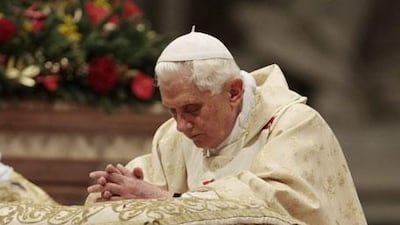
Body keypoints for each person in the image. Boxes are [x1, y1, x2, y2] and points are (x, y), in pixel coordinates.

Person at [87, 30, 367, 225]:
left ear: (233, 92)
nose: (181, 125)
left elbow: (271, 208)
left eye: (192, 110)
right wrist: (116, 192)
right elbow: (143, 188)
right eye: (171, 111)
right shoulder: (172, 138)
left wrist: (163, 199)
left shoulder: (294, 126)